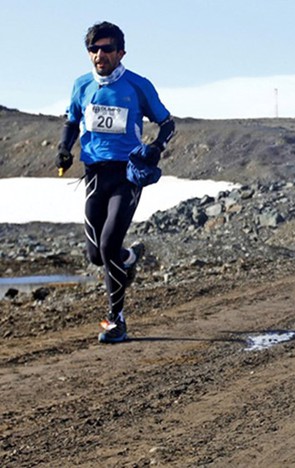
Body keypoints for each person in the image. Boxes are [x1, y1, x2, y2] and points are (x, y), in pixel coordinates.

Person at [55, 21, 175, 343]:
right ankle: (128, 259)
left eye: (107, 48)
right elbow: (71, 121)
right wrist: (64, 149)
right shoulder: (82, 85)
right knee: (97, 255)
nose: (99, 54)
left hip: (127, 174)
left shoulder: (137, 86)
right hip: (95, 175)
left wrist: (155, 148)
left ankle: (116, 320)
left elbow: (167, 123)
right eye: (93, 49)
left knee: (108, 245)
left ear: (121, 52)